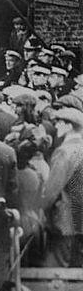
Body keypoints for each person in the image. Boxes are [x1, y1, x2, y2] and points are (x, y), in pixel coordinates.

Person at [40, 108, 83, 267]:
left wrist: (41, 209)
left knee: (56, 269)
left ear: (69, 125)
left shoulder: (64, 151)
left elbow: (52, 190)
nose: (56, 127)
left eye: (59, 123)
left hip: (64, 222)